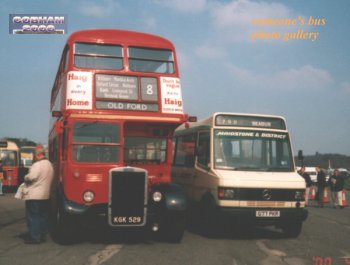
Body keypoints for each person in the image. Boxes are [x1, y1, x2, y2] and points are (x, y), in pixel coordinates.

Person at [22, 146, 54, 244]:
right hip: (45, 195)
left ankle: (35, 238)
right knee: (43, 216)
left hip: (35, 195)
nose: (34, 158)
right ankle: (42, 235)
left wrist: (26, 176)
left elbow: (32, 177)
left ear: (38, 155)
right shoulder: (49, 164)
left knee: (33, 217)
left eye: (34, 156)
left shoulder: (37, 165)